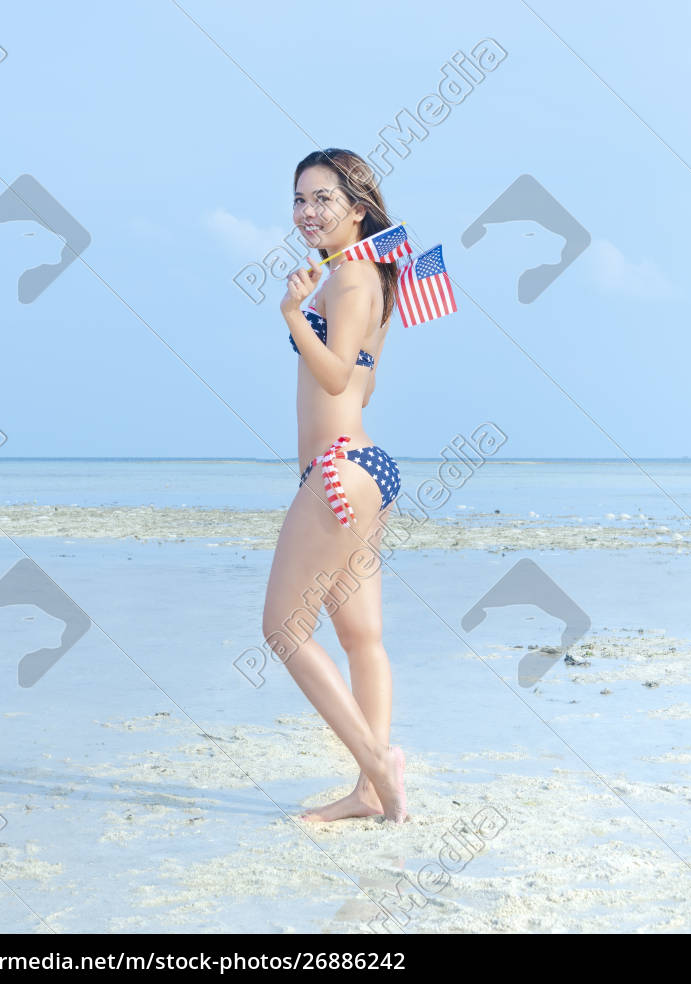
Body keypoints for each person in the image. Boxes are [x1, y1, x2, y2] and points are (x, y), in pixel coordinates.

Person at [262, 149, 407, 823]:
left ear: (357, 208)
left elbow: (334, 376)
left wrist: (294, 314)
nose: (307, 212)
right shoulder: (369, 277)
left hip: (337, 469)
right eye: (299, 199)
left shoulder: (347, 279)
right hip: (367, 465)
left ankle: (380, 766)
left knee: (284, 629)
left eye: (322, 199)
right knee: (359, 638)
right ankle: (369, 794)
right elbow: (365, 383)